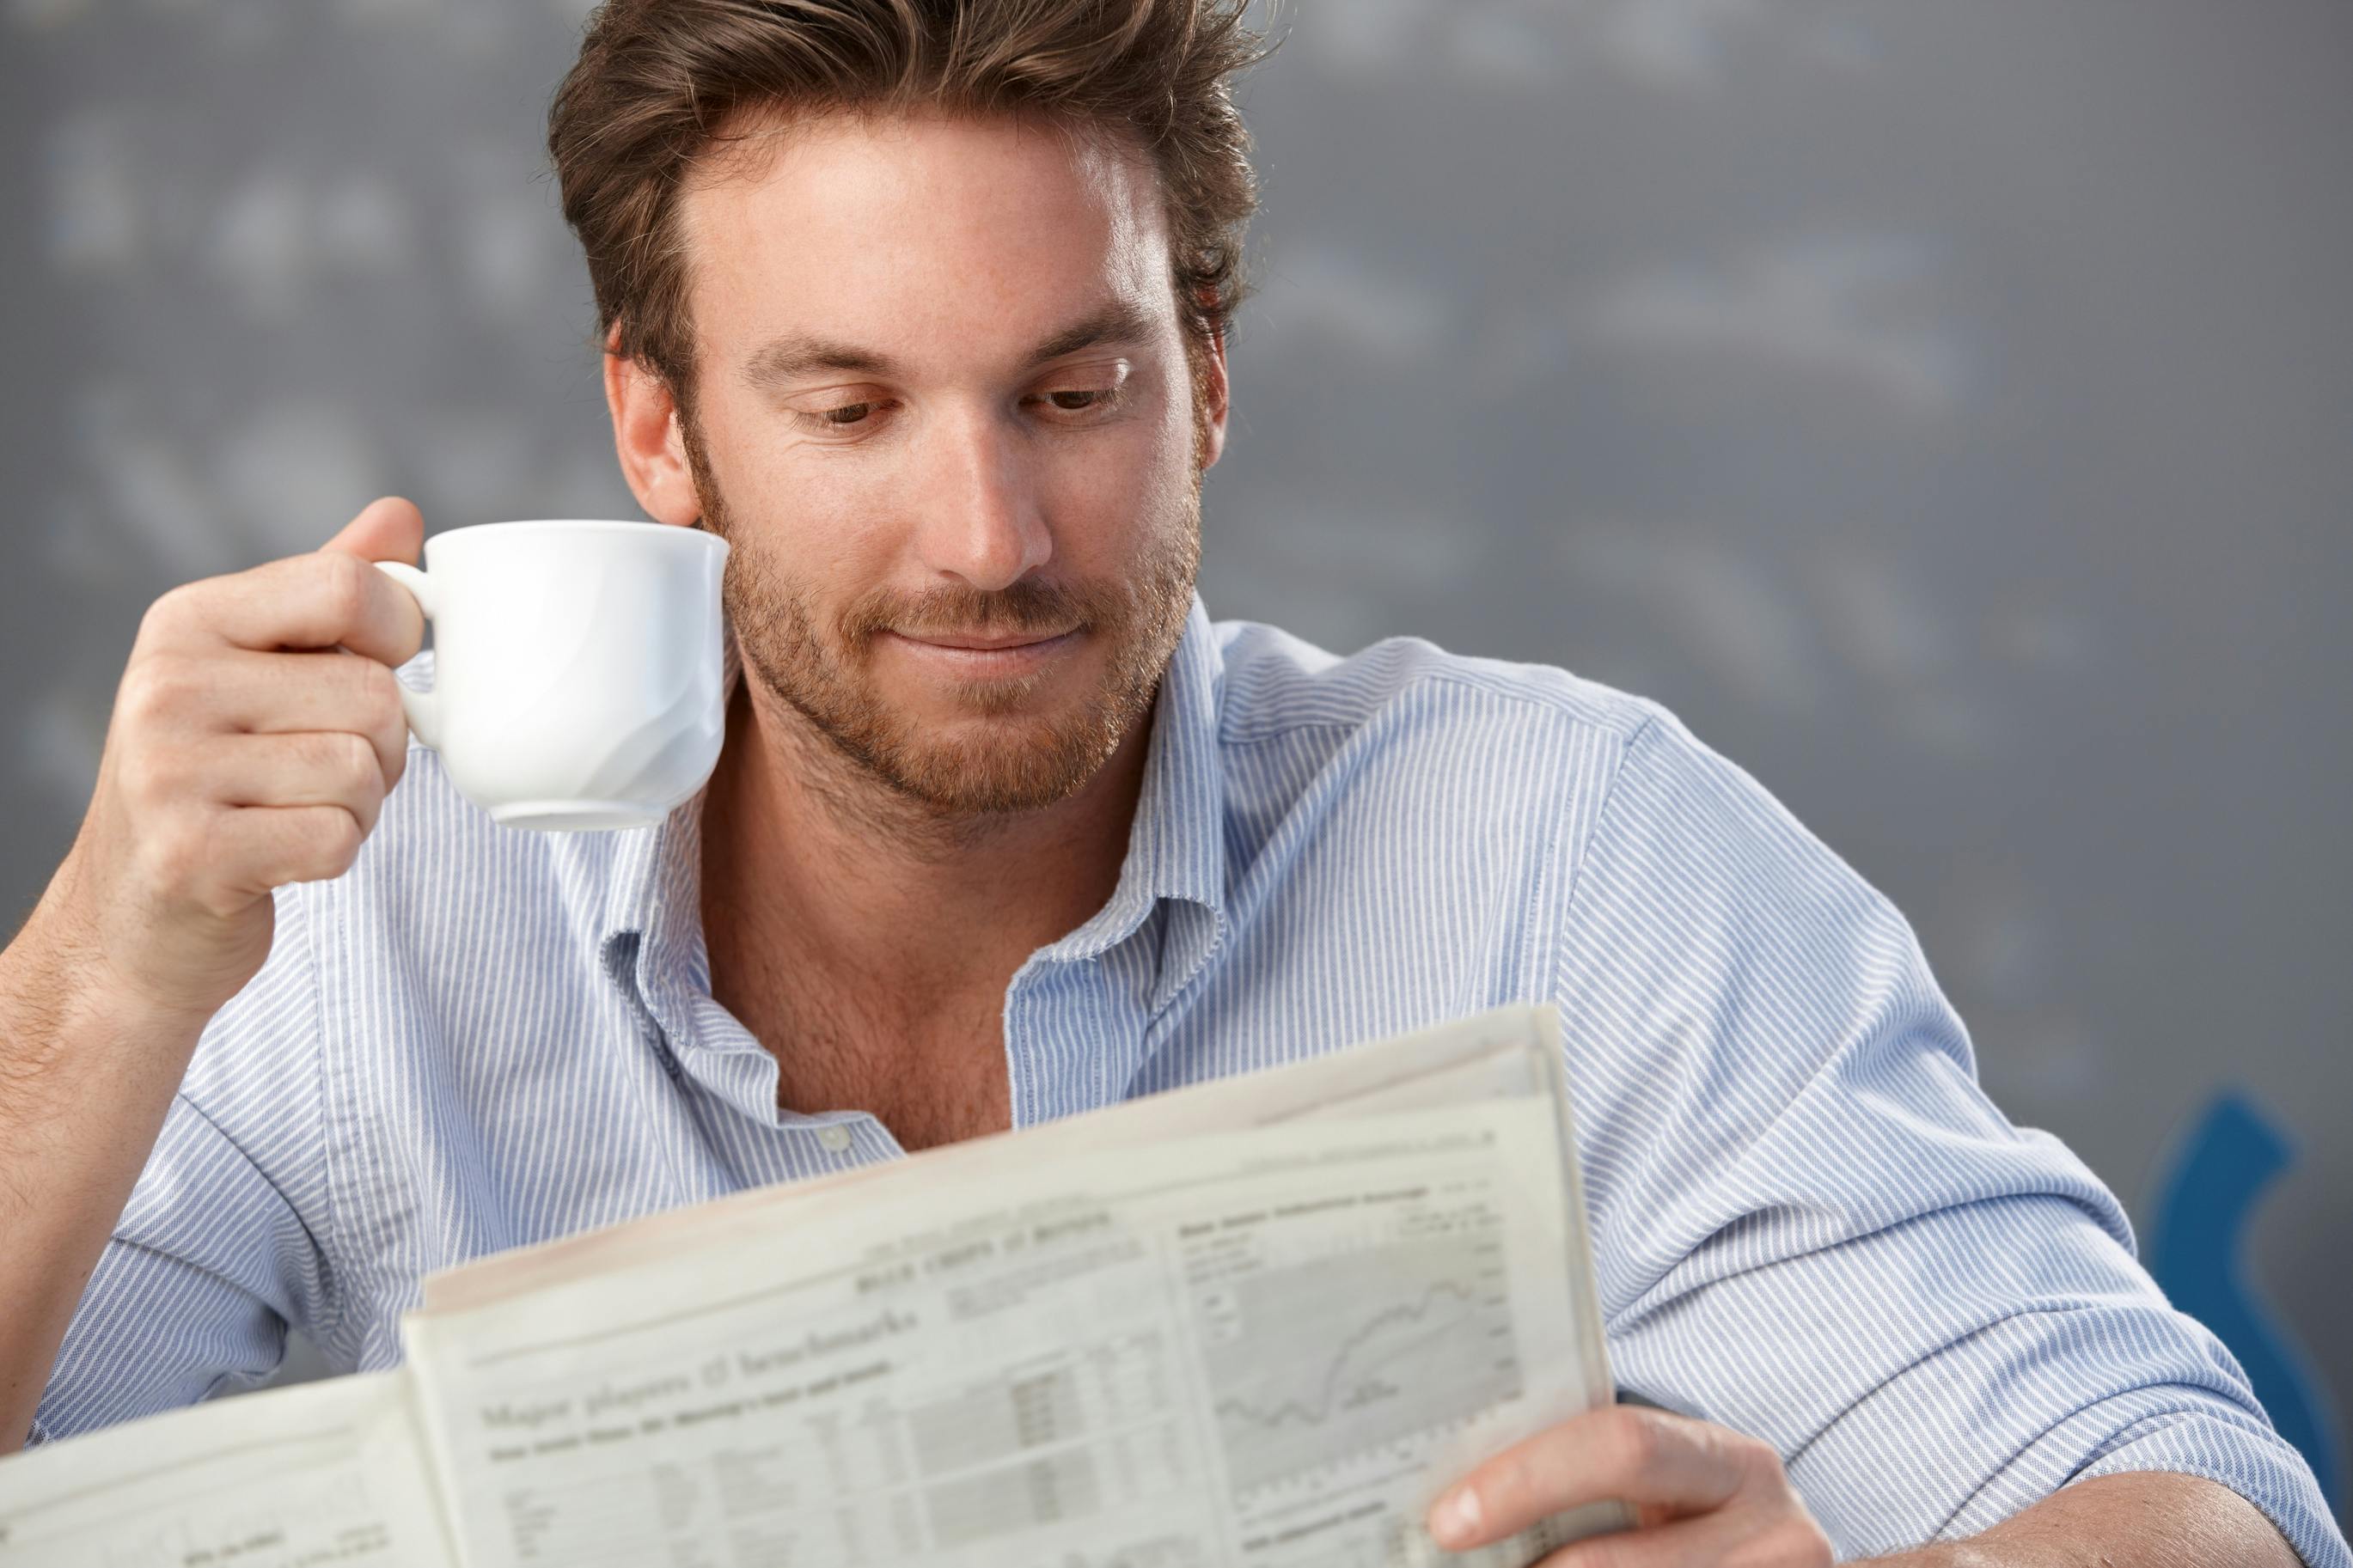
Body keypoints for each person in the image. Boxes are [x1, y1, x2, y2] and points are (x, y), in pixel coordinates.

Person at [0, 2, 2340, 1563]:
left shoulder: (1566, 856)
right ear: (658, 427)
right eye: (849, 408)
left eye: (1072, 391)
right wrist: (105, 963)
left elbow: (2201, 1507)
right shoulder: (339, 912)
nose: (988, 539)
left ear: (1204, 372)